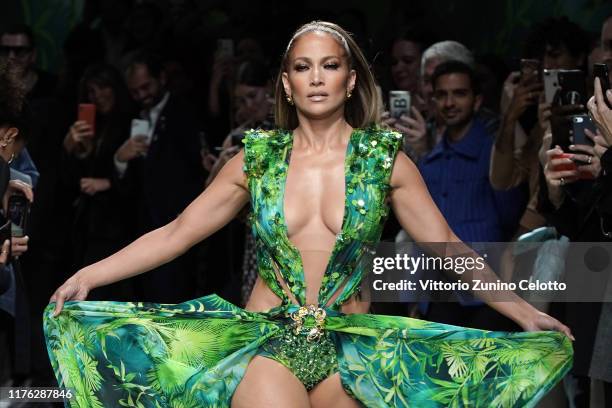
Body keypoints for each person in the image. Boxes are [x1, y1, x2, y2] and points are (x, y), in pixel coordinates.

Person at [45, 21, 573, 407]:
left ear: (349, 81)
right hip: (269, 339)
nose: (316, 77)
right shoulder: (256, 159)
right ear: (286, 83)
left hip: (355, 349)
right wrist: (88, 275)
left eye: (329, 65)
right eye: (302, 67)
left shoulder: (385, 159)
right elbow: (178, 233)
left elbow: (449, 249)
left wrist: (525, 313)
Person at [418, 61, 526, 330]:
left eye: (459, 93)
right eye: (441, 95)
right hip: (440, 295)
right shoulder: (428, 163)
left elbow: (512, 217)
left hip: (488, 297)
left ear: (477, 101)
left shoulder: (493, 154)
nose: (449, 102)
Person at [113, 52, 205, 304]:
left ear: (161, 78)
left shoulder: (185, 111)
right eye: (135, 91)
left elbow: (193, 170)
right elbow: (127, 187)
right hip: (141, 228)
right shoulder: (129, 116)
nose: (142, 95)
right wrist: (121, 159)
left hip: (177, 225)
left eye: (146, 86)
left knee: (174, 301)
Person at [60, 64, 135, 301]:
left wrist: (108, 182)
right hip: (90, 222)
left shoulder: (131, 122)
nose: (97, 95)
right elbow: (70, 181)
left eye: (102, 87)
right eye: (91, 91)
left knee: (112, 289)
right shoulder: (93, 126)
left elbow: (142, 177)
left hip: (120, 222)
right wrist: (71, 149)